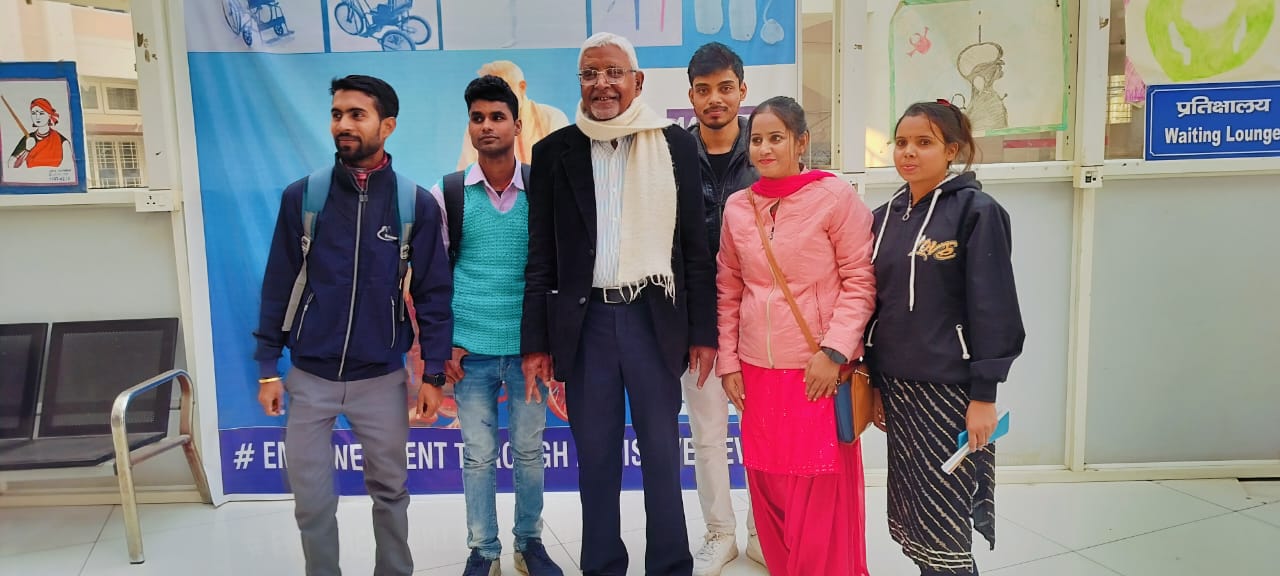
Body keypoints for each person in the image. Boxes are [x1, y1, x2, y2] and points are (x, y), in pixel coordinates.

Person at [520, 32, 717, 576]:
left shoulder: (674, 146)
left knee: (662, 455)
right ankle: (603, 565)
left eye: (613, 73)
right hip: (585, 329)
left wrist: (703, 333)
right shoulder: (554, 152)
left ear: (638, 81)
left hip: (654, 319)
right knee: (597, 459)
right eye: (590, 74)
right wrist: (536, 343)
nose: (601, 84)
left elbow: (694, 249)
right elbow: (541, 257)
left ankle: (669, 566)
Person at [253, 74, 453, 576]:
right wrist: (267, 367)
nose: (343, 124)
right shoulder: (304, 198)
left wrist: (433, 374)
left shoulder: (414, 205)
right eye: (337, 114)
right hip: (310, 378)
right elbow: (279, 283)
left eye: (356, 115)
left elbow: (433, 295)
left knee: (390, 493)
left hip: (380, 379)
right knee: (311, 501)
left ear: (387, 125)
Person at [716, 96, 874, 576]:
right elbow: (729, 288)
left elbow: (860, 281)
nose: (764, 149)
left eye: (776, 138)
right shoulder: (738, 207)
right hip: (757, 374)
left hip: (816, 372)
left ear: (801, 142)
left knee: (817, 488)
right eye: (757, 140)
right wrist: (729, 362)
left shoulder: (834, 197)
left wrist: (834, 351)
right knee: (770, 485)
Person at [867, 100, 1024, 576]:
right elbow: (874, 304)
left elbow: (994, 306)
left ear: (952, 150)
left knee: (946, 522)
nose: (908, 152)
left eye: (924, 142)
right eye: (901, 142)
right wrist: (874, 383)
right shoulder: (883, 217)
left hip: (950, 392)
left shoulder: (977, 212)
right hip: (898, 391)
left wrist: (984, 396)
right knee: (916, 518)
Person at [429, 75, 562, 576]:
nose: (487, 126)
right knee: (478, 456)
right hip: (470, 353)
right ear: (470, 127)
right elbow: (434, 279)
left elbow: (552, 272)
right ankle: (483, 551)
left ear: (517, 125)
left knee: (529, 453)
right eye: (478, 118)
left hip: (529, 352)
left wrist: (547, 343)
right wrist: (443, 345)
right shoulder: (448, 194)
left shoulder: (541, 190)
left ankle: (529, 544)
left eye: (497, 117)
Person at [682, 41, 761, 575]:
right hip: (697, 319)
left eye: (725, 88)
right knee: (707, 433)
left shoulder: (765, 148)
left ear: (742, 90)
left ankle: (762, 533)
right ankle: (720, 532)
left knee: (761, 433)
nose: (715, 99)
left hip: (759, 317)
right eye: (704, 89)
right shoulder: (672, 153)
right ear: (691, 96)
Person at [456, 60, 570, 170]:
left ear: (522, 87)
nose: (486, 126)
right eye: (488, 92)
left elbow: (563, 170)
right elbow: (466, 173)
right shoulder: (478, 128)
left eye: (502, 90)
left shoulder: (552, 117)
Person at [8, 98, 73, 169]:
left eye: (41, 113)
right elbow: (11, 166)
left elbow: (68, 167)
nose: (37, 117)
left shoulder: (62, 142)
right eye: (33, 113)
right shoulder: (27, 139)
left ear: (49, 115)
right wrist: (27, 150)